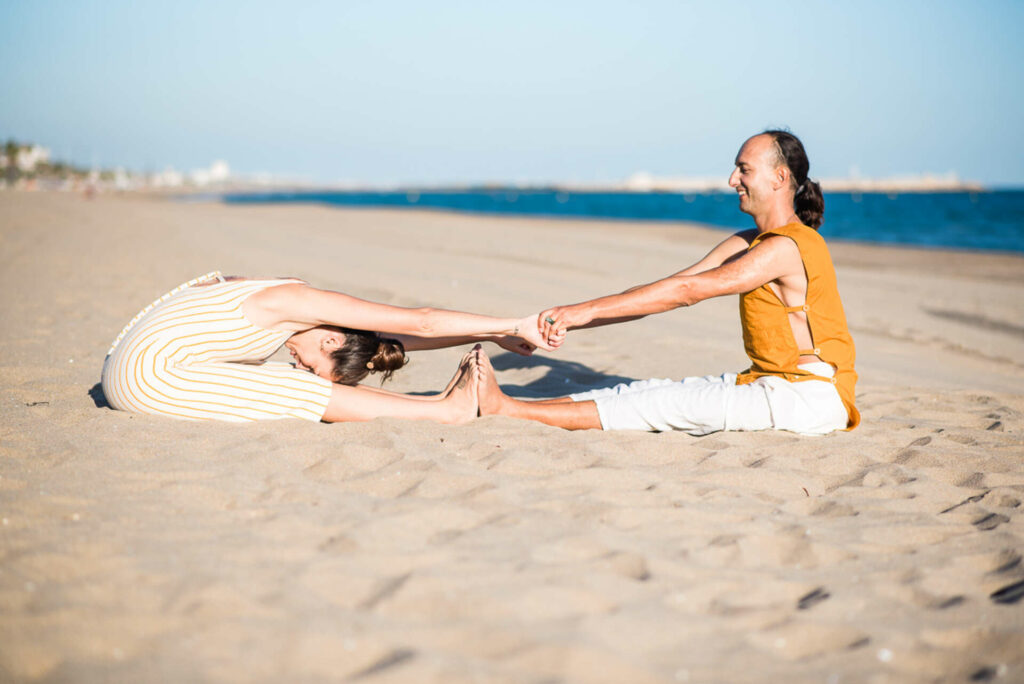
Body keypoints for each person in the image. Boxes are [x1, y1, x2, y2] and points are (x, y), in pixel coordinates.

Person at [477, 130, 859, 435]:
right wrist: (572, 319)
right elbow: (671, 286)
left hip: (809, 397)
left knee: (658, 406)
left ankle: (503, 407)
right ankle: (506, 403)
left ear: (780, 177)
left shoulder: (788, 246)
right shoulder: (747, 240)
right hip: (769, 383)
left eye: (744, 170)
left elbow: (686, 294)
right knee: (639, 392)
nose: (732, 180)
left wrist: (580, 313)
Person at [101, 272, 558, 423]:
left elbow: (401, 339)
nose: (302, 365)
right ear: (332, 339)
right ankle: (446, 412)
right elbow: (419, 319)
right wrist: (513, 323)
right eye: (316, 364)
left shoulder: (295, 314)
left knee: (283, 382)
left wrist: (492, 337)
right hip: (145, 376)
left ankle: (438, 403)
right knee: (297, 395)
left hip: (136, 364)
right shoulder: (296, 303)